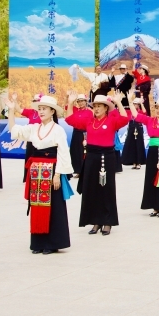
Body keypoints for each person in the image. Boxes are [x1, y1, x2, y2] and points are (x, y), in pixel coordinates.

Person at [9, 95, 74, 253]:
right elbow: (15, 131)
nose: (41, 111)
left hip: (52, 170)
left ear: (52, 111)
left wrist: (57, 174)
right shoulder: (34, 128)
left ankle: (52, 243)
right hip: (36, 172)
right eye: (39, 109)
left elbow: (63, 153)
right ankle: (38, 243)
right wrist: (11, 110)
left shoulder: (58, 130)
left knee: (53, 207)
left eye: (44, 109)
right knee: (37, 206)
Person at [66, 93, 129, 235]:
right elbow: (70, 120)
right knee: (92, 190)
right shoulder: (89, 121)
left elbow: (125, 119)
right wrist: (70, 103)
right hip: (91, 157)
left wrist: (119, 102)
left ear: (106, 108)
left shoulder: (111, 120)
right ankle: (96, 221)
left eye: (99, 106)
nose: (96, 108)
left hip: (106, 157)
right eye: (94, 106)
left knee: (106, 189)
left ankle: (108, 221)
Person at [68, 94, 90, 178]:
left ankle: (85, 171)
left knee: (84, 152)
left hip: (85, 133)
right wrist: (68, 97)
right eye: (79, 101)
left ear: (85, 101)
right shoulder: (75, 110)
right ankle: (78, 171)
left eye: (82, 101)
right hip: (76, 132)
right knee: (75, 151)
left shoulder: (89, 111)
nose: (80, 103)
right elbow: (67, 106)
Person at [122, 97, 146, 170]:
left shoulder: (140, 112)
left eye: (136, 104)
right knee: (131, 145)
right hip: (131, 128)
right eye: (134, 104)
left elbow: (145, 112)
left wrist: (141, 103)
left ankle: (139, 162)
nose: (135, 105)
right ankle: (133, 162)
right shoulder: (129, 112)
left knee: (139, 145)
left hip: (138, 128)